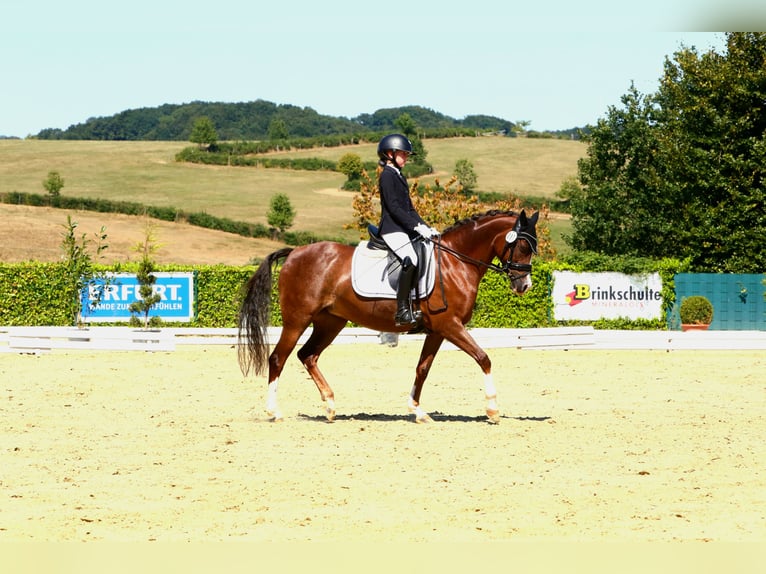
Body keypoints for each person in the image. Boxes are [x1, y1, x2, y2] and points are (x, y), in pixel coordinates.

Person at [376, 133, 439, 326]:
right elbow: (394, 208)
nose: (406, 157)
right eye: (403, 154)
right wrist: (414, 226)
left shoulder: (399, 175)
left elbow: (409, 208)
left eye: (407, 154)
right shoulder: (387, 175)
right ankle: (402, 310)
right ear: (389, 153)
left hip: (404, 227)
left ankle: (419, 305)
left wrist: (425, 227)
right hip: (392, 228)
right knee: (410, 259)